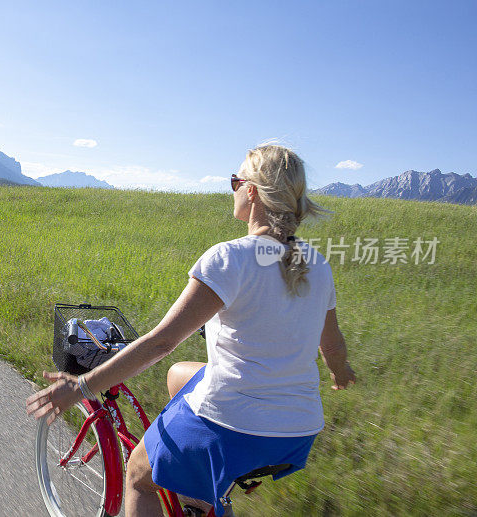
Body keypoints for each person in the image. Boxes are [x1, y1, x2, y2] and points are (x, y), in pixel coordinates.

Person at [26, 144, 356, 517]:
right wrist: (340, 373)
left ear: (251, 191)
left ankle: (201, 480)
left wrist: (82, 386)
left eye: (235, 180)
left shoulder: (229, 258)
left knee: (137, 474)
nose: (231, 188)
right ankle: (200, 497)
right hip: (297, 432)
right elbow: (333, 344)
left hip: (237, 425)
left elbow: (162, 341)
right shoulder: (317, 264)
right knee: (179, 375)